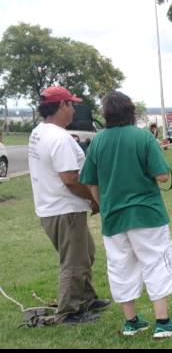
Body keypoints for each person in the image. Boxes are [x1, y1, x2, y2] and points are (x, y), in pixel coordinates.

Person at [80, 91, 172, 339]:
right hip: (146, 215)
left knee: (121, 267)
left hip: (113, 218)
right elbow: (162, 175)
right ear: (131, 111)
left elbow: (90, 181)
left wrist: (103, 205)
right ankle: (163, 322)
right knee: (156, 262)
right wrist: (158, 152)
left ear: (106, 113)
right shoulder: (143, 137)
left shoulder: (97, 141)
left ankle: (132, 322)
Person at [27, 86, 111, 325]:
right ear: (61, 105)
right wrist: (94, 199)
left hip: (54, 207)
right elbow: (71, 180)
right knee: (74, 262)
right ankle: (69, 312)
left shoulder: (40, 131)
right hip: (65, 209)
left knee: (86, 254)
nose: (74, 109)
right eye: (71, 104)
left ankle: (86, 297)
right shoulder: (59, 138)